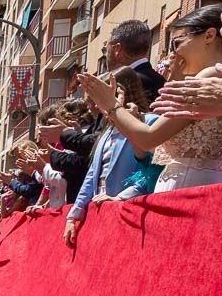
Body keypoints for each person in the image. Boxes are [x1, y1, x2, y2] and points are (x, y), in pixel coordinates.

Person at [77, 5, 222, 194]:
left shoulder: (210, 76)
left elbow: (148, 139)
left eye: (177, 42)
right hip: (200, 184)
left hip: (188, 189)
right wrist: (123, 116)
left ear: (209, 36)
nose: (173, 53)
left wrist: (110, 105)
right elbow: (153, 148)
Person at [64, 67, 162, 248]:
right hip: (102, 219)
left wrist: (120, 199)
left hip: (132, 220)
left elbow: (153, 172)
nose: (95, 105)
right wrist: (74, 215)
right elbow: (92, 175)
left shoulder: (150, 123)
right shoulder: (106, 132)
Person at [103, 19, 166, 101]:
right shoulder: (161, 81)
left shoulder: (121, 85)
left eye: (106, 51)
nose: (105, 56)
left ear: (117, 50)